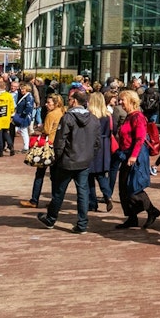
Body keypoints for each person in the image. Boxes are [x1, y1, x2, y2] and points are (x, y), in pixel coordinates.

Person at [35, 89, 101, 234]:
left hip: (67, 160)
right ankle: (82, 224)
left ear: (75, 101)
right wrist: (90, 156)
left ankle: (51, 218)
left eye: (70, 100)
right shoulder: (93, 119)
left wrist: (56, 158)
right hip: (84, 161)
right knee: (82, 192)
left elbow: (60, 141)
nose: (69, 102)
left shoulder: (67, 118)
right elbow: (97, 142)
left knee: (59, 191)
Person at [113, 89, 160, 230]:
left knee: (134, 187)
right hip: (125, 154)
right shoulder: (129, 116)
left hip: (136, 156)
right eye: (119, 100)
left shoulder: (137, 117)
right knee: (123, 188)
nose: (120, 102)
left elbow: (140, 139)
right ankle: (132, 217)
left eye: (123, 100)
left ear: (131, 101)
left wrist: (133, 156)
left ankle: (151, 210)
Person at [20, 93, 64, 208]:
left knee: (40, 174)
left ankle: (34, 200)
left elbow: (47, 130)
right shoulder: (62, 112)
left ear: (55, 104)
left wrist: (37, 130)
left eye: (49, 103)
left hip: (47, 146)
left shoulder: (51, 114)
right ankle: (55, 201)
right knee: (54, 176)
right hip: (57, 145)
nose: (46, 105)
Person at [85, 91, 115, 213]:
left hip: (92, 145)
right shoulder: (108, 116)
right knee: (101, 174)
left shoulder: (90, 116)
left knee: (89, 176)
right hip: (104, 145)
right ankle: (108, 195)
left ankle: (92, 203)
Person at [12, 82, 36, 152]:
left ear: (27, 89)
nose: (22, 90)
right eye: (21, 89)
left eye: (23, 89)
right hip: (22, 116)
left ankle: (26, 147)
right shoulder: (25, 96)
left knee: (23, 131)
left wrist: (23, 114)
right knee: (22, 130)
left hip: (24, 117)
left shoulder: (28, 97)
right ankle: (26, 146)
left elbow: (28, 107)